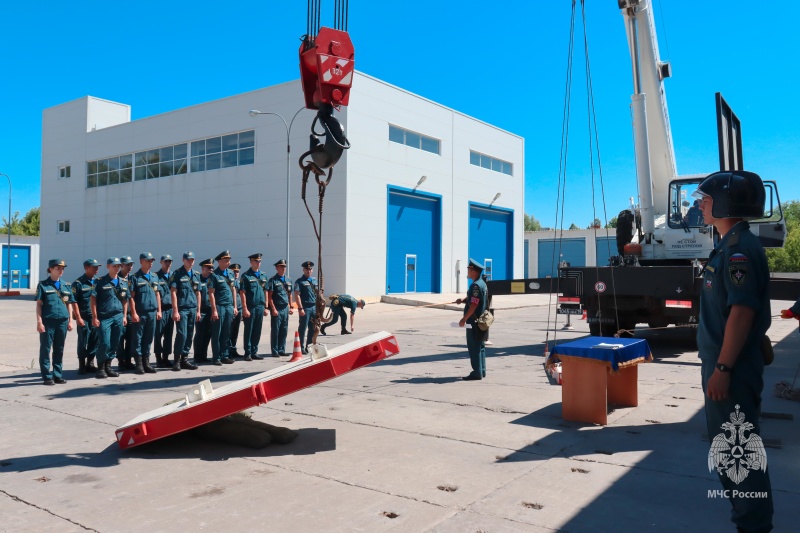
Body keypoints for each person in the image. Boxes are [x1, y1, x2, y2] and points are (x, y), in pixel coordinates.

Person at [694, 170, 773, 533]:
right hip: (727, 364)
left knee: (737, 452)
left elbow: (741, 311)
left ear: (725, 204)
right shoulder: (730, 245)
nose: (700, 205)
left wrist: (723, 369)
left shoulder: (738, 251)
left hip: (733, 369)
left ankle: (753, 527)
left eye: (706, 200)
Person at [35, 259, 76, 385]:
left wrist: (70, 320)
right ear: (50, 269)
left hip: (62, 321)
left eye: (62, 268)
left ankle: (57, 374)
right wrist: (39, 322)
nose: (61, 270)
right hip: (48, 321)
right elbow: (39, 305)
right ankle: (47, 376)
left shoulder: (66, 285)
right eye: (58, 268)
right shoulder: (43, 285)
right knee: (45, 349)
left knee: (59, 349)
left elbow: (69, 304)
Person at [90, 258, 128, 379]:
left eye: (118, 266)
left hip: (118, 316)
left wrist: (125, 316)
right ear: (108, 267)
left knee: (115, 342)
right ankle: (100, 367)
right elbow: (93, 299)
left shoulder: (123, 282)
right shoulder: (100, 281)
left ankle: (108, 366)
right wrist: (95, 317)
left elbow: (125, 300)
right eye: (114, 266)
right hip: (104, 316)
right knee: (104, 342)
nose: (117, 268)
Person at [129, 252, 161, 374]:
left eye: (152, 261)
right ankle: (138, 364)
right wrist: (134, 313)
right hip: (141, 313)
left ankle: (146, 362)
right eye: (148, 261)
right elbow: (131, 297)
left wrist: (159, 310)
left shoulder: (154, 276)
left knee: (148, 338)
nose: (150, 263)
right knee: (137, 338)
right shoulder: (135, 277)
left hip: (152, 312)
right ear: (141, 261)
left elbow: (157, 293)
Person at [456, 258, 488, 381]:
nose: (468, 272)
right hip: (481, 320)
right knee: (481, 346)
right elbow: (475, 299)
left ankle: (476, 373)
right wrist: (463, 300)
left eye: (469, 269)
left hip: (474, 321)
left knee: (474, 347)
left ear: (474, 271)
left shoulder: (475, 286)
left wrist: (464, 318)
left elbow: (474, 304)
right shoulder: (482, 283)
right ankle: (482, 370)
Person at [169, 252, 200, 371]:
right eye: (188, 260)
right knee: (182, 334)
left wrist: (198, 310)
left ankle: (184, 359)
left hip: (192, 308)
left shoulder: (196, 275)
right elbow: (173, 292)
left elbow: (198, 293)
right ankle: (176, 360)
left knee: (190, 334)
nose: (191, 262)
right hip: (182, 309)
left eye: (192, 260)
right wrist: (175, 311)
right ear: (183, 260)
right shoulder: (177, 274)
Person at [71, 258, 100, 375]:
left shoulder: (98, 282)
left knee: (95, 340)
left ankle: (90, 363)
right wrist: (78, 317)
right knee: (83, 341)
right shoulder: (78, 283)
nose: (97, 269)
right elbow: (74, 302)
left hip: (95, 317)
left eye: (97, 267)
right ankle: (82, 365)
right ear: (86, 268)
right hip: (84, 317)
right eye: (94, 267)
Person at [208, 250, 237, 365]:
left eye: (229, 260)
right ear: (219, 261)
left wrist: (235, 306)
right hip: (219, 307)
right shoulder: (214, 275)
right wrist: (214, 310)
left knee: (226, 332)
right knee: (217, 333)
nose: (228, 263)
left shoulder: (230, 273)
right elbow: (211, 293)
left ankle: (225, 355)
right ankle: (216, 357)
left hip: (229, 307)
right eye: (226, 261)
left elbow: (233, 289)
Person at [239, 254, 267, 361]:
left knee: (257, 330)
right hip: (250, 307)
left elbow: (265, 291)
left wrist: (266, 306)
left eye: (259, 261)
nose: (258, 263)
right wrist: (245, 308)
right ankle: (248, 352)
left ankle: (254, 351)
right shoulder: (246, 276)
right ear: (251, 262)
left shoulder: (263, 275)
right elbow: (242, 293)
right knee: (249, 330)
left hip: (260, 306)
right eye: (256, 261)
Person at [267, 259, 294, 355]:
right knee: (276, 330)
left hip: (285, 308)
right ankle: (275, 351)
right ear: (276, 268)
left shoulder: (289, 279)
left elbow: (290, 294)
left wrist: (291, 306)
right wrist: (273, 308)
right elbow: (269, 297)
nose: (283, 268)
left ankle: (282, 350)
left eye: (284, 266)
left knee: (284, 329)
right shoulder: (273, 280)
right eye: (281, 266)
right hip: (277, 308)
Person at [154, 255, 174, 368]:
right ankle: (158, 358)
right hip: (161, 309)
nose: (168, 263)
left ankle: (166, 357)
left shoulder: (173, 276)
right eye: (166, 261)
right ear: (161, 262)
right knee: (158, 334)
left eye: (170, 261)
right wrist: (158, 310)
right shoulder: (156, 276)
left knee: (169, 335)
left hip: (171, 308)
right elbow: (155, 294)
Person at [193, 258, 214, 363]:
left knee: (208, 334)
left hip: (210, 310)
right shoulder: (198, 280)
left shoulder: (212, 280)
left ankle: (204, 355)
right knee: (199, 334)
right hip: (201, 310)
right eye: (208, 268)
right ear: (203, 268)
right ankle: (197, 356)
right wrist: (197, 310)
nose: (211, 270)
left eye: (212, 268)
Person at [116, 256, 136, 371]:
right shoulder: (116, 278)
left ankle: (128, 360)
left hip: (130, 313)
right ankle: (121, 361)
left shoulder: (132, 279)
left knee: (130, 338)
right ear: (121, 265)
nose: (130, 267)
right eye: (127, 265)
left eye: (131, 265)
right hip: (119, 313)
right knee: (120, 338)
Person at [294, 261, 318, 353]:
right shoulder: (299, 281)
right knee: (303, 328)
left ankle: (309, 346)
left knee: (312, 328)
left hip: (314, 307)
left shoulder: (315, 280)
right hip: (305, 307)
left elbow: (318, 293)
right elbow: (297, 295)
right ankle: (300, 347)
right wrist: (300, 308)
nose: (309, 271)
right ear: (303, 270)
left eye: (310, 269)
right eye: (307, 269)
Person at [228, 263, 244, 357]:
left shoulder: (239, 282)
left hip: (239, 308)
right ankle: (228, 350)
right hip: (231, 308)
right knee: (228, 331)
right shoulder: (229, 281)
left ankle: (233, 349)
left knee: (235, 331)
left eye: (237, 271)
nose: (236, 273)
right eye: (234, 271)